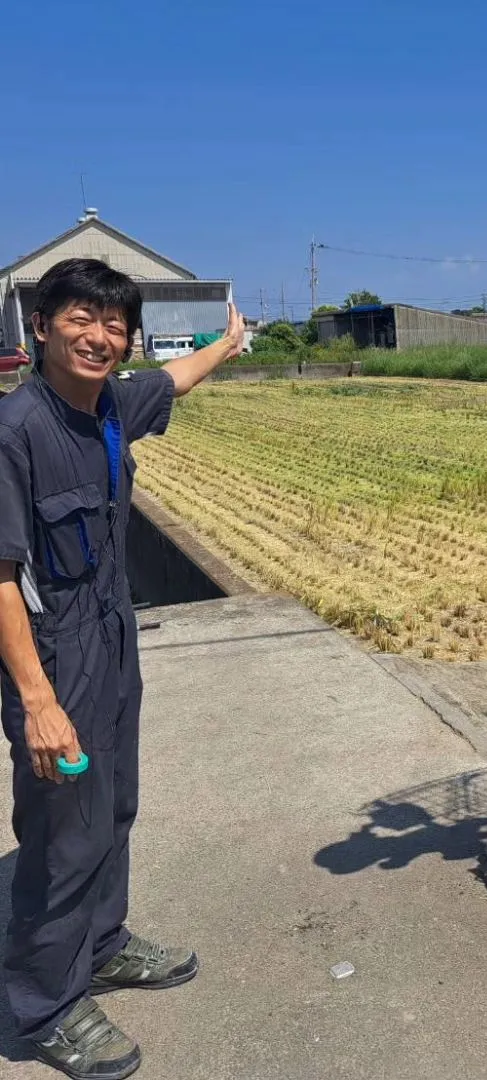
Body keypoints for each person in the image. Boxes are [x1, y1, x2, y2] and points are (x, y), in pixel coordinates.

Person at [0, 258, 244, 1079]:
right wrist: (37, 702)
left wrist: (230, 343)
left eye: (114, 325)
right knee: (62, 832)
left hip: (112, 638)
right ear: (40, 327)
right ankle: (45, 1005)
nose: (99, 337)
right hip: (55, 657)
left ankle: (101, 944)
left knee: (115, 807)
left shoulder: (110, 406)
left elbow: (173, 380)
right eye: (80, 318)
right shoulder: (17, 433)